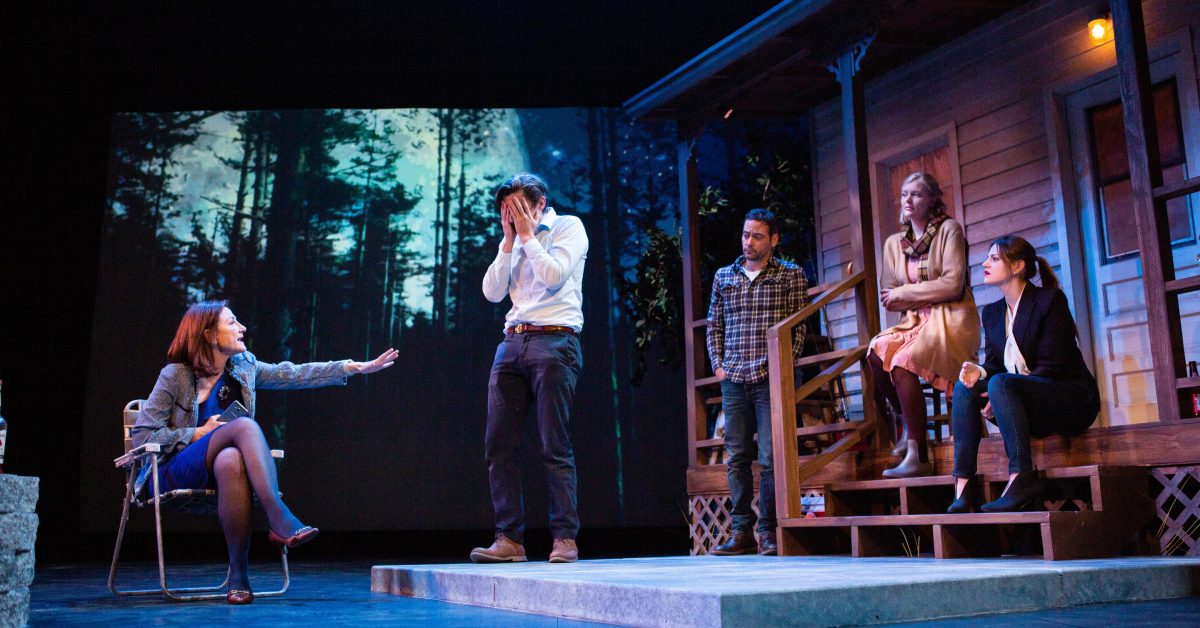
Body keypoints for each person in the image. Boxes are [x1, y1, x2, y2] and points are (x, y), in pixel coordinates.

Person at [131, 300, 398, 604]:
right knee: (244, 426)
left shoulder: (244, 366)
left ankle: (238, 577)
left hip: (221, 474)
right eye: (232, 322)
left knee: (231, 459)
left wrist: (351, 367)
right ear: (206, 333)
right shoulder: (175, 376)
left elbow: (293, 374)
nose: (242, 328)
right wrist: (196, 433)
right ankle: (278, 516)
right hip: (171, 471)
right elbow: (141, 436)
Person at [473, 173, 588, 564]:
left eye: (519, 207)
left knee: (554, 445)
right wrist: (509, 241)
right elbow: (491, 292)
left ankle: (564, 539)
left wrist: (527, 237)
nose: (513, 215)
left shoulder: (568, 227)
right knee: (498, 444)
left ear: (539, 204)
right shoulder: (513, 241)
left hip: (556, 341)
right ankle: (509, 539)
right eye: (507, 210)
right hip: (512, 342)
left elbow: (554, 276)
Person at [948, 235, 1099, 513]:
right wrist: (978, 371)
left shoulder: (1049, 300)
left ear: (1017, 266)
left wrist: (1002, 390)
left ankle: (1022, 476)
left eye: (994, 258)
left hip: (1069, 400)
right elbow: (995, 365)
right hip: (1022, 405)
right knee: (964, 388)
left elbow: (1054, 365)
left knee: (1000, 384)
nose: (985, 263)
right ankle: (963, 484)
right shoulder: (993, 312)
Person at [706, 208, 808, 556]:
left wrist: (784, 365)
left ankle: (767, 531)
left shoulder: (789, 275)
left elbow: (799, 326)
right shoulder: (725, 276)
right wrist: (718, 366)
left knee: (770, 456)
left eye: (757, 236)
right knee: (736, 456)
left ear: (773, 240)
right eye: (746, 235)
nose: (749, 242)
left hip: (769, 377)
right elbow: (714, 325)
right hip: (734, 377)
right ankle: (740, 532)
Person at [867, 172, 979, 478]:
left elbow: (953, 286)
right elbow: (887, 298)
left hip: (952, 319)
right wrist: (914, 295)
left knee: (904, 360)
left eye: (915, 194)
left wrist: (906, 293)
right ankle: (910, 425)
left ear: (931, 200)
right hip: (915, 321)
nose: (908, 200)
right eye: (904, 195)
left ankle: (918, 454)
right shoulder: (894, 244)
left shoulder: (949, 230)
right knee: (877, 354)